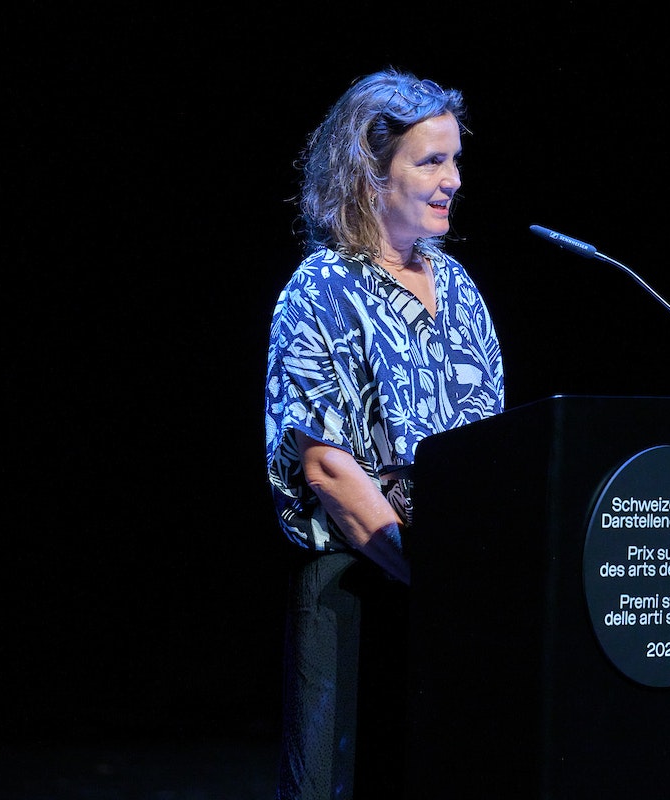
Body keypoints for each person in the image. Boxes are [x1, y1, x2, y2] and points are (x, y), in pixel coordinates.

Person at [263, 69, 505, 800]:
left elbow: (491, 449)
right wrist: (426, 575)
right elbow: (329, 470)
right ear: (370, 175)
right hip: (356, 587)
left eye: (454, 160)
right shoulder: (320, 290)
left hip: (455, 590)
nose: (453, 180)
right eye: (430, 162)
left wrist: (476, 579)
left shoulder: (459, 289)